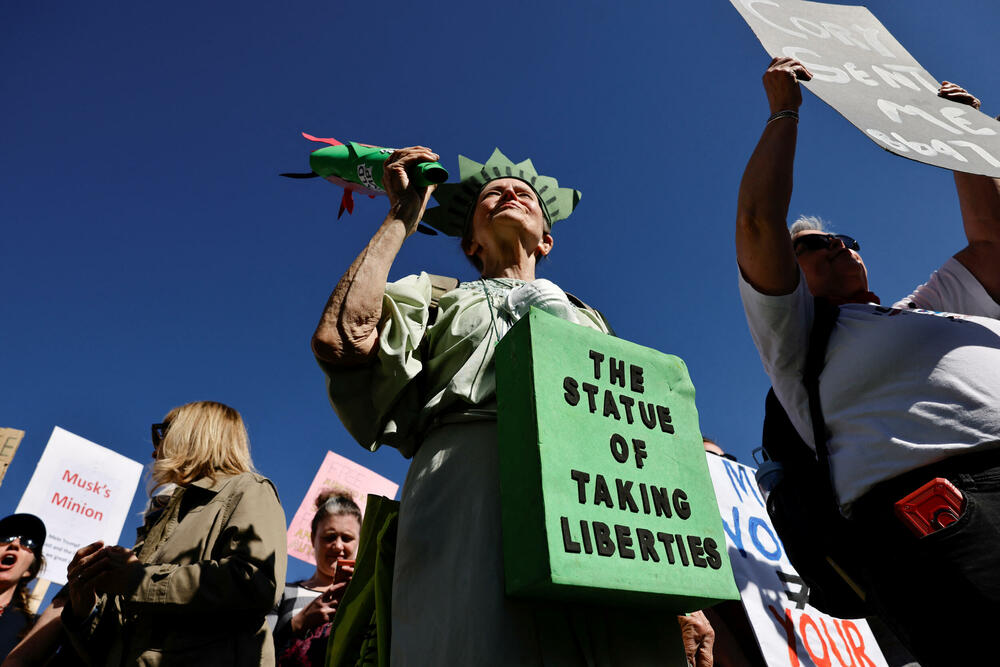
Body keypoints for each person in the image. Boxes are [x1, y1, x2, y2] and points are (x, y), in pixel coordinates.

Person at [312, 147, 697, 665]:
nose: (510, 193)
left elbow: (637, 436)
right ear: (470, 240)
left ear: (547, 238)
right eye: (492, 194)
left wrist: (684, 597)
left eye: (525, 194)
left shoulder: (594, 322)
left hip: (600, 495)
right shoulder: (435, 295)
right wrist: (402, 216)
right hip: (467, 481)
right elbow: (343, 338)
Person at [736, 57, 1000, 665]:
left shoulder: (925, 309)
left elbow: (990, 244)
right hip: (949, 515)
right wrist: (783, 112)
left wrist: (962, 132)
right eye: (810, 247)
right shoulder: (798, 338)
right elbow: (757, 221)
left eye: (843, 239)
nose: (837, 246)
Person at [60, 400, 288, 666]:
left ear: (195, 432)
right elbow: (115, 647)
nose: (155, 451)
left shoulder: (248, 489)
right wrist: (83, 605)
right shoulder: (159, 521)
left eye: (162, 433)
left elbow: (257, 582)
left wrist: (139, 580)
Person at [269, 490, 360, 666]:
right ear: (313, 539)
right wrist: (297, 624)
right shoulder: (282, 593)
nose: (338, 545)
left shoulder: (371, 598)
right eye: (330, 537)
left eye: (347, 538)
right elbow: (256, 651)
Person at [0, 513, 45, 657]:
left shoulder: (32, 631)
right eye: (6, 537)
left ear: (28, 570)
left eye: (28, 542)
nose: (14, 544)